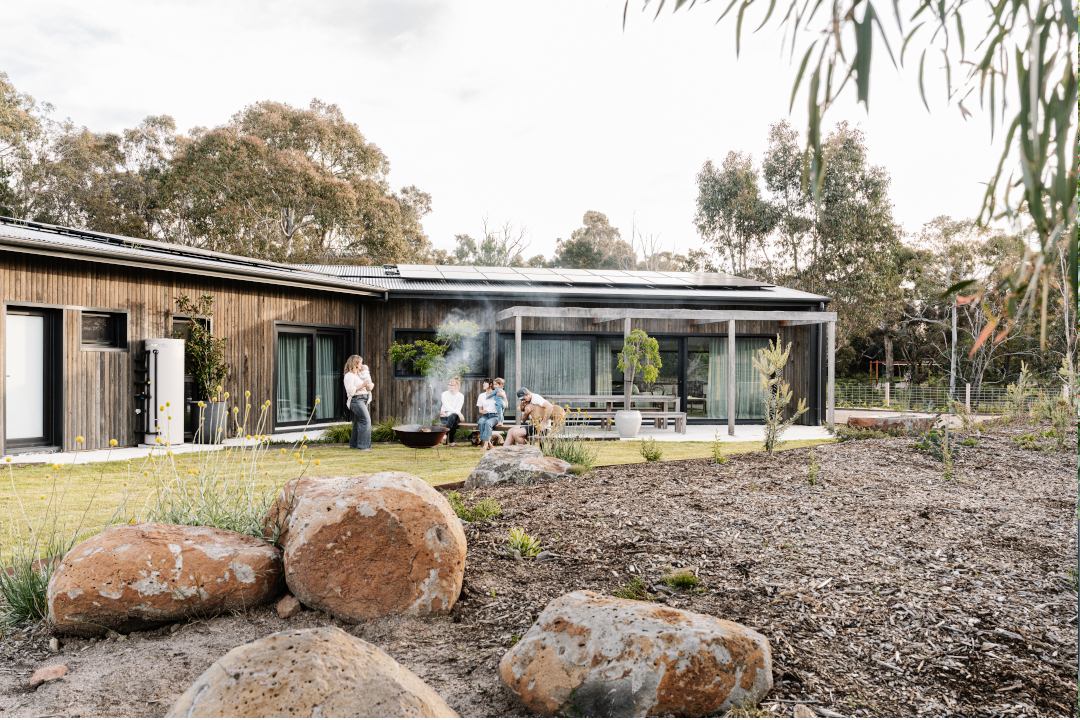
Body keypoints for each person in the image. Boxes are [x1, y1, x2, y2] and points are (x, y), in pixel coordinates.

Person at [344, 355, 373, 451]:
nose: (361, 365)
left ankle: (354, 444)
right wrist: (363, 385)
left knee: (358, 423)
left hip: (363, 399)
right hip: (356, 400)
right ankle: (363, 447)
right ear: (355, 363)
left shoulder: (359, 374)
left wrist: (370, 386)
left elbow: (369, 382)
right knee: (366, 420)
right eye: (360, 362)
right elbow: (350, 391)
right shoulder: (349, 375)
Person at [439, 377, 465, 446]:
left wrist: (447, 413)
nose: (449, 386)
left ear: (456, 386)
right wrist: (458, 413)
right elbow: (447, 407)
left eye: (451, 385)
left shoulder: (461, 396)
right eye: (448, 384)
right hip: (444, 418)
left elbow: (458, 408)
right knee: (454, 419)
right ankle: (452, 442)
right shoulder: (444, 394)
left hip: (449, 415)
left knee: (453, 416)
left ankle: (444, 435)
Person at [476, 378, 500, 451]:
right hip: (486, 416)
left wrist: (504, 396)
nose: (483, 384)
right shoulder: (481, 396)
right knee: (480, 422)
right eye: (483, 383)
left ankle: (485, 445)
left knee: (488, 423)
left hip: (495, 416)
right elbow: (480, 410)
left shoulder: (496, 394)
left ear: (490, 384)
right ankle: (489, 443)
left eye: (485, 383)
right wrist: (482, 411)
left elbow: (505, 406)